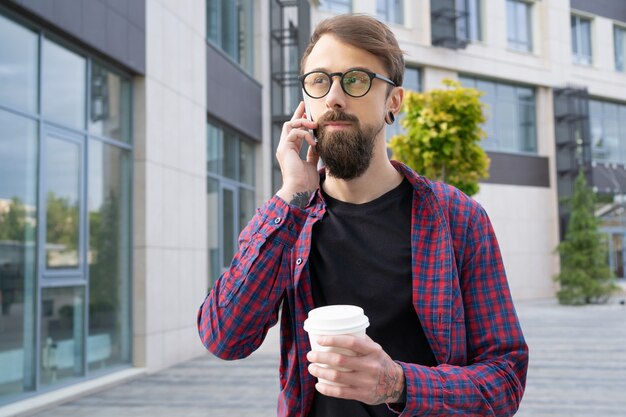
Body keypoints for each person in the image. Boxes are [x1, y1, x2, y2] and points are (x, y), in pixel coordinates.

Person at [198, 13, 528, 417]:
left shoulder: (458, 218)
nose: (334, 97)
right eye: (319, 81)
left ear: (393, 102)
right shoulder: (288, 219)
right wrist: (292, 197)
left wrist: (398, 384)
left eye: (355, 79)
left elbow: (506, 379)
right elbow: (225, 338)